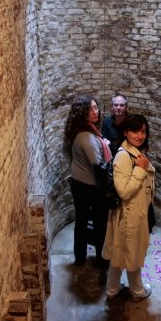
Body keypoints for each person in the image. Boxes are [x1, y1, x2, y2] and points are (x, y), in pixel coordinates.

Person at [102, 114, 155, 301]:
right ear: (125, 132)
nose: (140, 136)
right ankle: (137, 291)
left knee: (120, 252)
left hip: (132, 213)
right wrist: (141, 169)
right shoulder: (124, 157)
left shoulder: (135, 151)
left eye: (143, 131)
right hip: (129, 216)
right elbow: (124, 192)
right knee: (133, 255)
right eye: (134, 131)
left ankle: (112, 289)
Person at [63, 95, 111, 268]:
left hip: (78, 183)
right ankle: (102, 259)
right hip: (91, 187)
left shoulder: (77, 132)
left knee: (81, 221)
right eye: (90, 109)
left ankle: (80, 257)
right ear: (82, 113)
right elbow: (98, 165)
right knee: (100, 224)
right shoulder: (88, 137)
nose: (95, 111)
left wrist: (101, 143)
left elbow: (71, 155)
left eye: (96, 107)